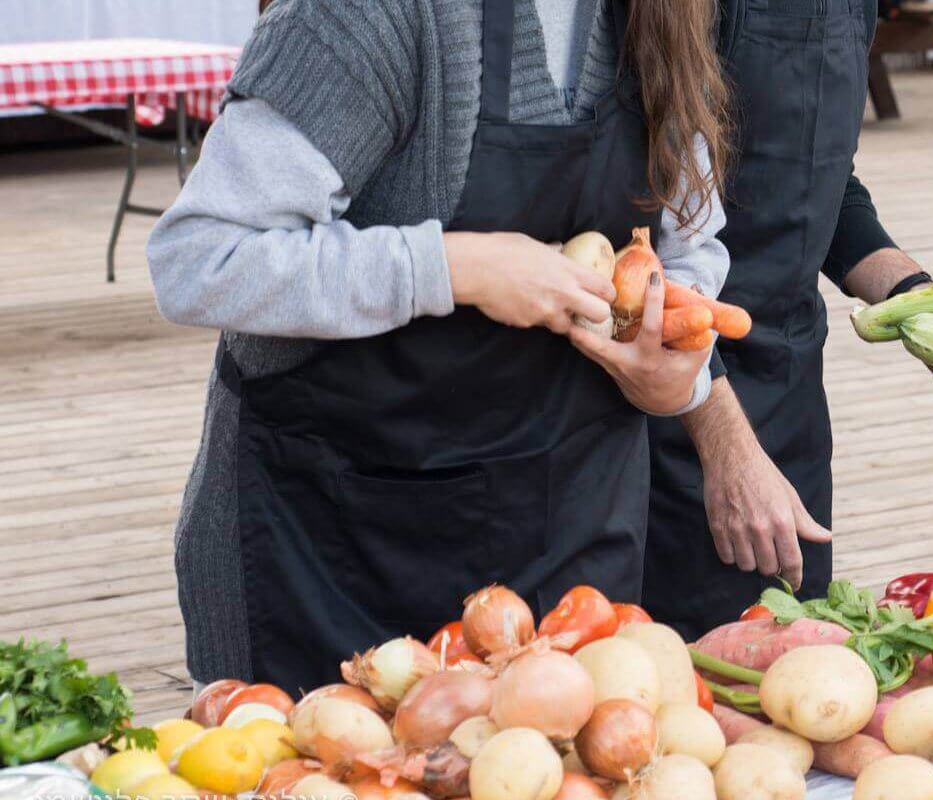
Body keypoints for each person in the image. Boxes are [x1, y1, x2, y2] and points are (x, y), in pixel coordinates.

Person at [148, 0, 727, 689]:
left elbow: (689, 248)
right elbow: (200, 259)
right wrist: (454, 269)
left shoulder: (664, 14)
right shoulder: (361, 16)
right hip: (338, 558)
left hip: (570, 540)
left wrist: (675, 376)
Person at [641, 0, 933, 634]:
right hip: (672, 397)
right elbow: (643, 236)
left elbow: (825, 183)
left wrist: (917, 299)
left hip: (790, 387)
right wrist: (727, 451)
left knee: (797, 661)